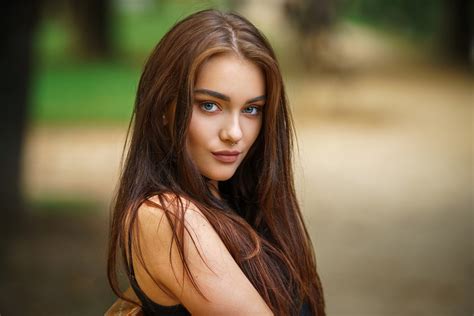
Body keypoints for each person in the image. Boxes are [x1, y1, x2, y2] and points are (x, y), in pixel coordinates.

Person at [106, 9, 325, 316]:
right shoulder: (168, 216)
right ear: (165, 107)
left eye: (251, 110)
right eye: (209, 105)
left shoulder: (238, 200)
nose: (234, 133)